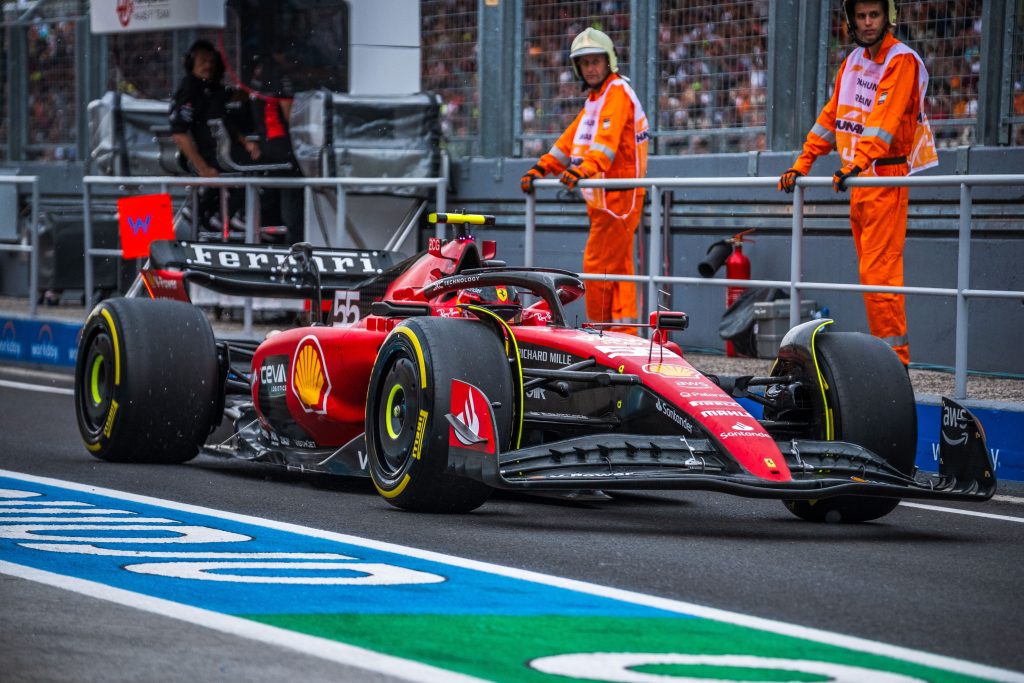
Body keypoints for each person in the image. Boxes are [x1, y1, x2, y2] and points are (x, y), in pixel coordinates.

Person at [778, 0, 938, 366]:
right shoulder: (852, 63)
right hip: (859, 181)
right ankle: (886, 358)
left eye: (874, 15)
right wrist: (802, 163)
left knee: (879, 274)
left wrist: (860, 162)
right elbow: (831, 117)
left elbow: (886, 118)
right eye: (861, 16)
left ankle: (895, 362)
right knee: (870, 275)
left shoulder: (902, 60)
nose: (867, 23)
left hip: (883, 177)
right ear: (851, 21)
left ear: (888, 17)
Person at [520, 27, 649, 335]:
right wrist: (543, 167)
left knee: (598, 268)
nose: (591, 68)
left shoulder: (616, 93)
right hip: (605, 198)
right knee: (617, 270)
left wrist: (583, 169)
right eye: (585, 62)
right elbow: (570, 141)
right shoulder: (597, 98)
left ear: (609, 62)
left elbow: (605, 144)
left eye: (596, 61)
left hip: (618, 197)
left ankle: (603, 333)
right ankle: (621, 333)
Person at [169, 39, 260, 235]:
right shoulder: (189, 90)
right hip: (208, 156)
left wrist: (245, 141)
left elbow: (225, 121)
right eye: (202, 60)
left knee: (251, 158)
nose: (208, 65)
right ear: (190, 63)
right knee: (260, 165)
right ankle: (231, 217)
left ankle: (205, 215)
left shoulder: (213, 90)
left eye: (211, 61)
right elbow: (179, 133)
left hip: (221, 153)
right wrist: (204, 169)